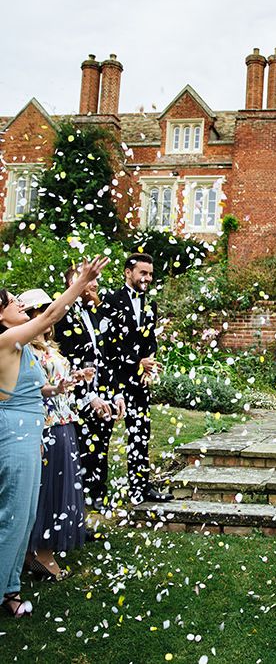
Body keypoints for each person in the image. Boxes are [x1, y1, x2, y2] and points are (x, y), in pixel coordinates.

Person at [0, 256, 108, 618]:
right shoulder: (4, 341)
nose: (19, 304)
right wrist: (81, 282)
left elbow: (33, 388)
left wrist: (58, 387)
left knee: (25, 514)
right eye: (13, 301)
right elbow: (48, 317)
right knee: (12, 515)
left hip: (30, 434)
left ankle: (10, 586)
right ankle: (6, 589)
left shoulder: (19, 348)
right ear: (1, 315)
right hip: (13, 437)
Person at [19, 289, 86, 581]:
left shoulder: (51, 347)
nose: (46, 317)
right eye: (39, 312)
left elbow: (57, 383)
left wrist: (76, 378)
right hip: (45, 424)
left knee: (60, 484)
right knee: (46, 487)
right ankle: (38, 551)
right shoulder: (25, 349)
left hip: (64, 420)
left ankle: (37, 550)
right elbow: (33, 388)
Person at [55, 264, 125, 512]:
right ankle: (77, 506)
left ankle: (98, 496)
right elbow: (69, 363)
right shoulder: (62, 317)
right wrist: (89, 398)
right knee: (82, 451)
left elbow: (107, 357)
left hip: (102, 395)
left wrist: (115, 393)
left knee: (102, 447)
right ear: (73, 285)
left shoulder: (95, 314)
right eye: (90, 281)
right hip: (77, 399)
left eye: (96, 280)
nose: (95, 285)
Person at [103, 253, 171, 504]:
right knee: (103, 436)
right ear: (127, 272)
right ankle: (97, 495)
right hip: (111, 380)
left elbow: (149, 340)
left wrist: (148, 366)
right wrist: (135, 362)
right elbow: (106, 345)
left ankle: (140, 488)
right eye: (143, 273)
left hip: (139, 382)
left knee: (141, 433)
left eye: (150, 274)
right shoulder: (110, 300)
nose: (147, 278)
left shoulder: (149, 305)